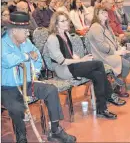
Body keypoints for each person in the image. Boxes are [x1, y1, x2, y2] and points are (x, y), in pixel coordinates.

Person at [1, 11, 76, 143]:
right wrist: (26, 56)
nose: (28, 34)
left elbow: (38, 57)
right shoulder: (3, 43)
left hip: (28, 82)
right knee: (17, 108)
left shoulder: (26, 42)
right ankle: (21, 137)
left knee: (51, 90)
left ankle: (55, 130)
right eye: (25, 31)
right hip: (7, 87)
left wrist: (34, 72)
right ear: (14, 31)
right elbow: (7, 60)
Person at [45, 11, 126, 120]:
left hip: (72, 65)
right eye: (62, 21)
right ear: (55, 23)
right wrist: (81, 60)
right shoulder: (52, 38)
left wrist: (79, 58)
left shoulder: (66, 34)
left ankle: (102, 109)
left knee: (98, 74)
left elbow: (71, 53)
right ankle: (109, 95)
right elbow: (61, 61)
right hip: (63, 69)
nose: (66, 23)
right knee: (98, 64)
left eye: (66, 20)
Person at [87, 8, 130, 97]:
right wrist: (116, 53)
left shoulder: (106, 25)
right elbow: (102, 46)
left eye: (106, 12)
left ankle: (116, 78)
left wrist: (121, 49)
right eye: (102, 12)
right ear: (96, 14)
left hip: (113, 51)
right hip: (103, 55)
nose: (105, 14)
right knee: (126, 64)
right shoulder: (96, 26)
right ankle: (118, 84)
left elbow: (114, 40)